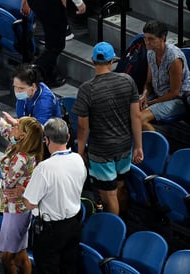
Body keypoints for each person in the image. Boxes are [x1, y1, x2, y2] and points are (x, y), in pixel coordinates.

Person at [0, 78, 44, 274]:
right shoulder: (20, 144)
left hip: (16, 211)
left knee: (7, 257)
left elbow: (7, 184)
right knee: (20, 254)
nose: (11, 126)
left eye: (16, 126)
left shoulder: (22, 158)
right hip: (15, 208)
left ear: (22, 135)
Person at [73, 41, 144, 215]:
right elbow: (136, 116)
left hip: (101, 151)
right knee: (120, 186)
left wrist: (80, 152)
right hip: (124, 147)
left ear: (92, 61)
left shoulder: (86, 89)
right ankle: (122, 225)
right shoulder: (128, 81)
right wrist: (139, 146)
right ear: (112, 61)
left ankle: (114, 229)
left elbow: (83, 127)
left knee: (109, 195)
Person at [23, 118, 87, 274]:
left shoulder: (44, 168)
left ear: (46, 140)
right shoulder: (78, 159)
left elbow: (30, 203)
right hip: (73, 225)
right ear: (68, 137)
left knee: (48, 269)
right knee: (69, 268)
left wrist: (22, 193)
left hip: (51, 231)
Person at [20, 0, 86, 87]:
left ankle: (49, 77)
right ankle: (29, 73)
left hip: (37, 3)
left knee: (51, 40)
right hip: (50, 5)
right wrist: (79, 3)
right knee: (56, 46)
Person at [140, 20, 190, 131]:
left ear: (162, 38)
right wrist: (144, 95)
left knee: (139, 119)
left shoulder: (174, 58)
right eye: (145, 38)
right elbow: (148, 82)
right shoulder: (150, 52)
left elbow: (174, 92)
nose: (147, 42)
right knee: (131, 110)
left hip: (178, 100)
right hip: (158, 96)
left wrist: (151, 103)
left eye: (151, 39)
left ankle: (158, 146)